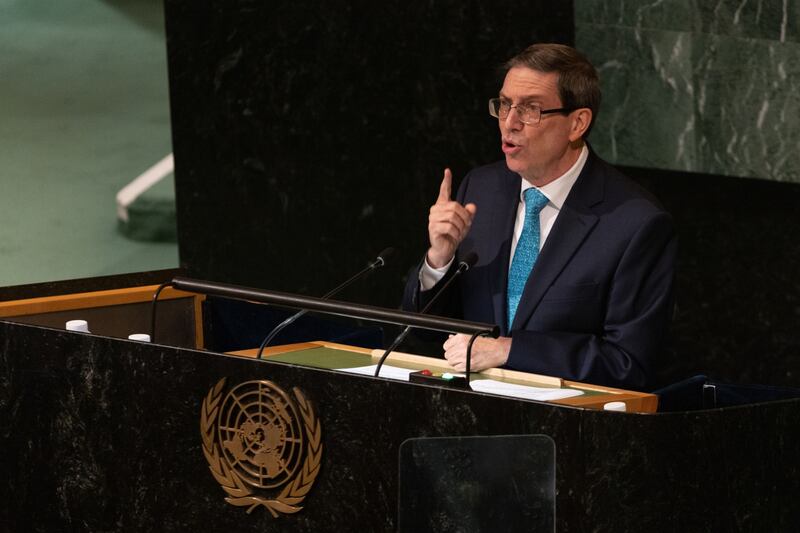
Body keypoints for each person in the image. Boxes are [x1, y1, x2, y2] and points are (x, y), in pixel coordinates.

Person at [402, 43, 676, 391]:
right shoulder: (480, 190)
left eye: (530, 109)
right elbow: (422, 336)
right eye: (504, 105)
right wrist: (438, 261)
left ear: (577, 123)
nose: (510, 123)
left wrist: (511, 350)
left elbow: (629, 363)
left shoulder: (634, 223)